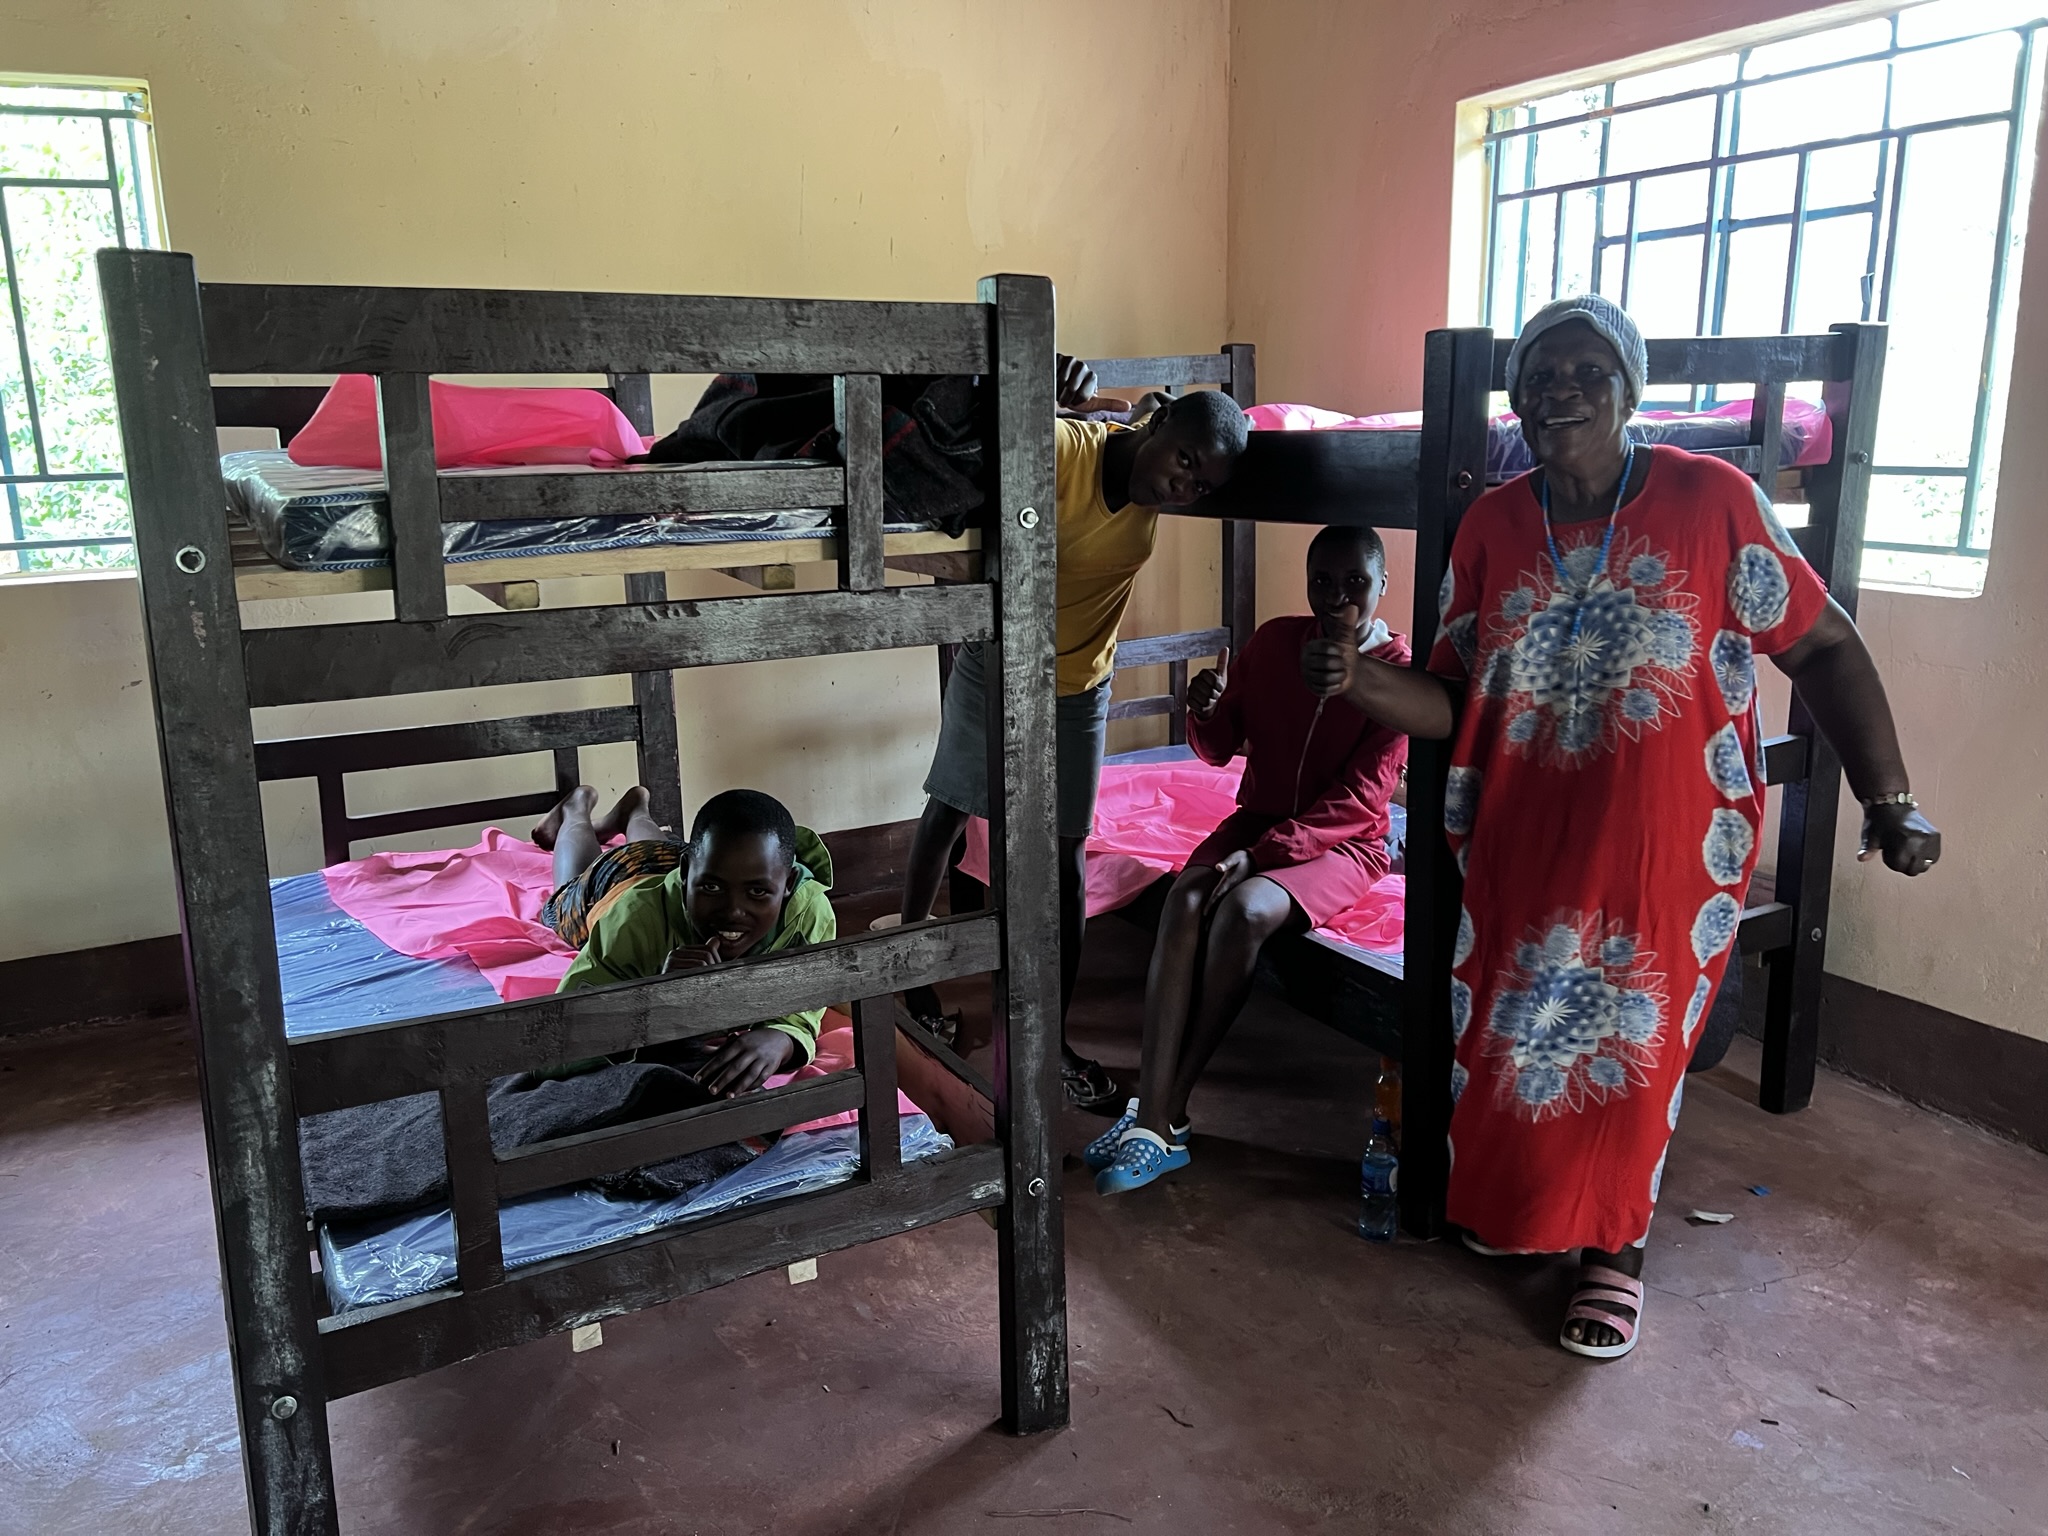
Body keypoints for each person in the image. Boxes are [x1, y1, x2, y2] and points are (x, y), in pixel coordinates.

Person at [1305, 294, 1941, 1360]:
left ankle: (1616, 1254)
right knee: (1511, 1046)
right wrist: (1363, 683)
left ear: (1630, 388)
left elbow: (1822, 647)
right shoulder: (1492, 525)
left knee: (1626, 1050)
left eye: (1582, 371)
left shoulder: (1713, 500)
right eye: (1536, 373)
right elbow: (1457, 700)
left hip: (1667, 847)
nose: (1554, 391)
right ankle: (1533, 1220)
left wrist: (1889, 798)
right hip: (1518, 839)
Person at [896, 360, 1251, 1111]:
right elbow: (975, 444)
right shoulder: (1063, 449)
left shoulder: (1154, 488)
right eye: (1184, 460)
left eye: (1202, 485)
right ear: (1157, 429)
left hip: (1082, 684)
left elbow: (1140, 412)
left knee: (1067, 857)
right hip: (999, 664)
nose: (1183, 487)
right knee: (950, 811)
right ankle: (909, 971)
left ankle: (1047, 1036)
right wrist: (1016, 394)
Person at [1090, 525, 1411, 1193]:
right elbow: (1217, 748)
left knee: (1242, 909)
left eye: (1356, 583)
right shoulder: (1274, 643)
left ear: (1383, 587)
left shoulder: (1396, 678)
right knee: (1182, 898)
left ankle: (1165, 1111)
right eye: (1323, 580)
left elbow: (1359, 802)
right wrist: (1202, 710)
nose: (1338, 597)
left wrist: (1262, 857)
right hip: (1259, 819)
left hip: (1344, 844)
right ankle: (1152, 1115)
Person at [537, 785, 837, 1096]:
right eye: (712, 889)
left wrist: (783, 1038)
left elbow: (805, 1008)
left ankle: (635, 812)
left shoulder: (807, 913)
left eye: (758, 892)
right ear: (687, 873)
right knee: (565, 893)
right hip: (612, 884)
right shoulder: (632, 921)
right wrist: (658, 1001)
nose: (733, 912)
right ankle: (576, 808)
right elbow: (558, 1042)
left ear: (788, 883)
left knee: (652, 849)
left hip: (671, 857)